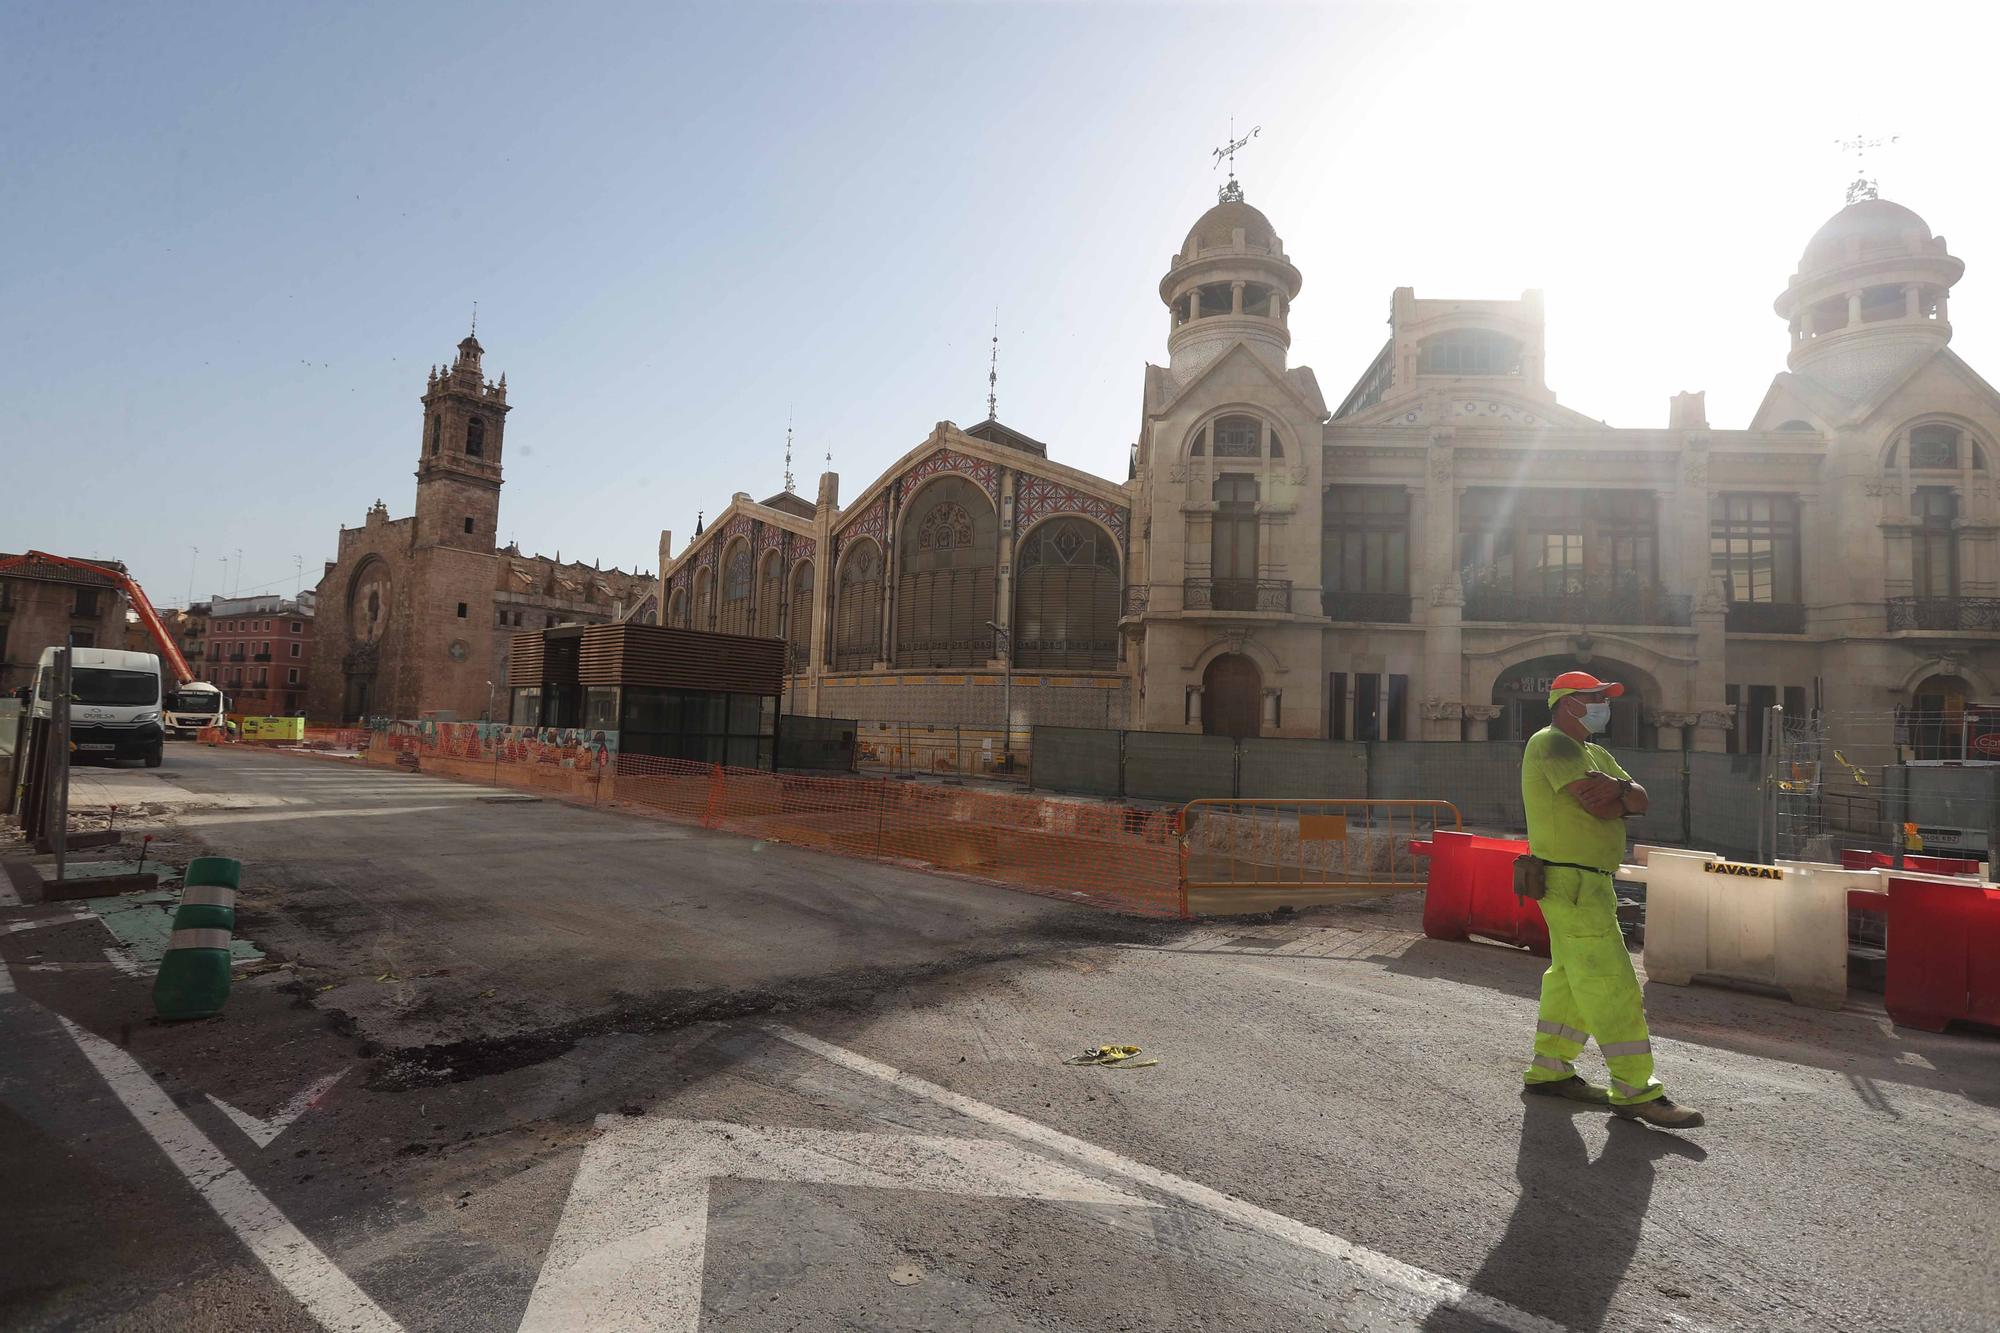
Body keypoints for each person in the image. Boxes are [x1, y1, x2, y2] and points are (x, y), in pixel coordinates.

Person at [1520, 670, 1704, 1128]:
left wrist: (1620, 793)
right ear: (1568, 703)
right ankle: (1635, 1089)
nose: (1605, 704)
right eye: (1595, 697)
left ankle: (1550, 1070)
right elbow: (1600, 805)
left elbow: (1640, 799)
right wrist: (1621, 797)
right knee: (1612, 982)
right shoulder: (1554, 744)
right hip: (1572, 881)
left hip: (1583, 881)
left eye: (1605, 697)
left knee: (1570, 978)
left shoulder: (1593, 751)